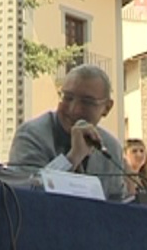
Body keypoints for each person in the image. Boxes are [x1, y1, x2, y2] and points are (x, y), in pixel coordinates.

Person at [8, 64, 127, 201]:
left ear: (107, 108)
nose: (74, 109)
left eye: (87, 102)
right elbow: (26, 192)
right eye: (68, 98)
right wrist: (72, 158)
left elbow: (118, 204)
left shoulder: (110, 147)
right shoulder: (31, 134)